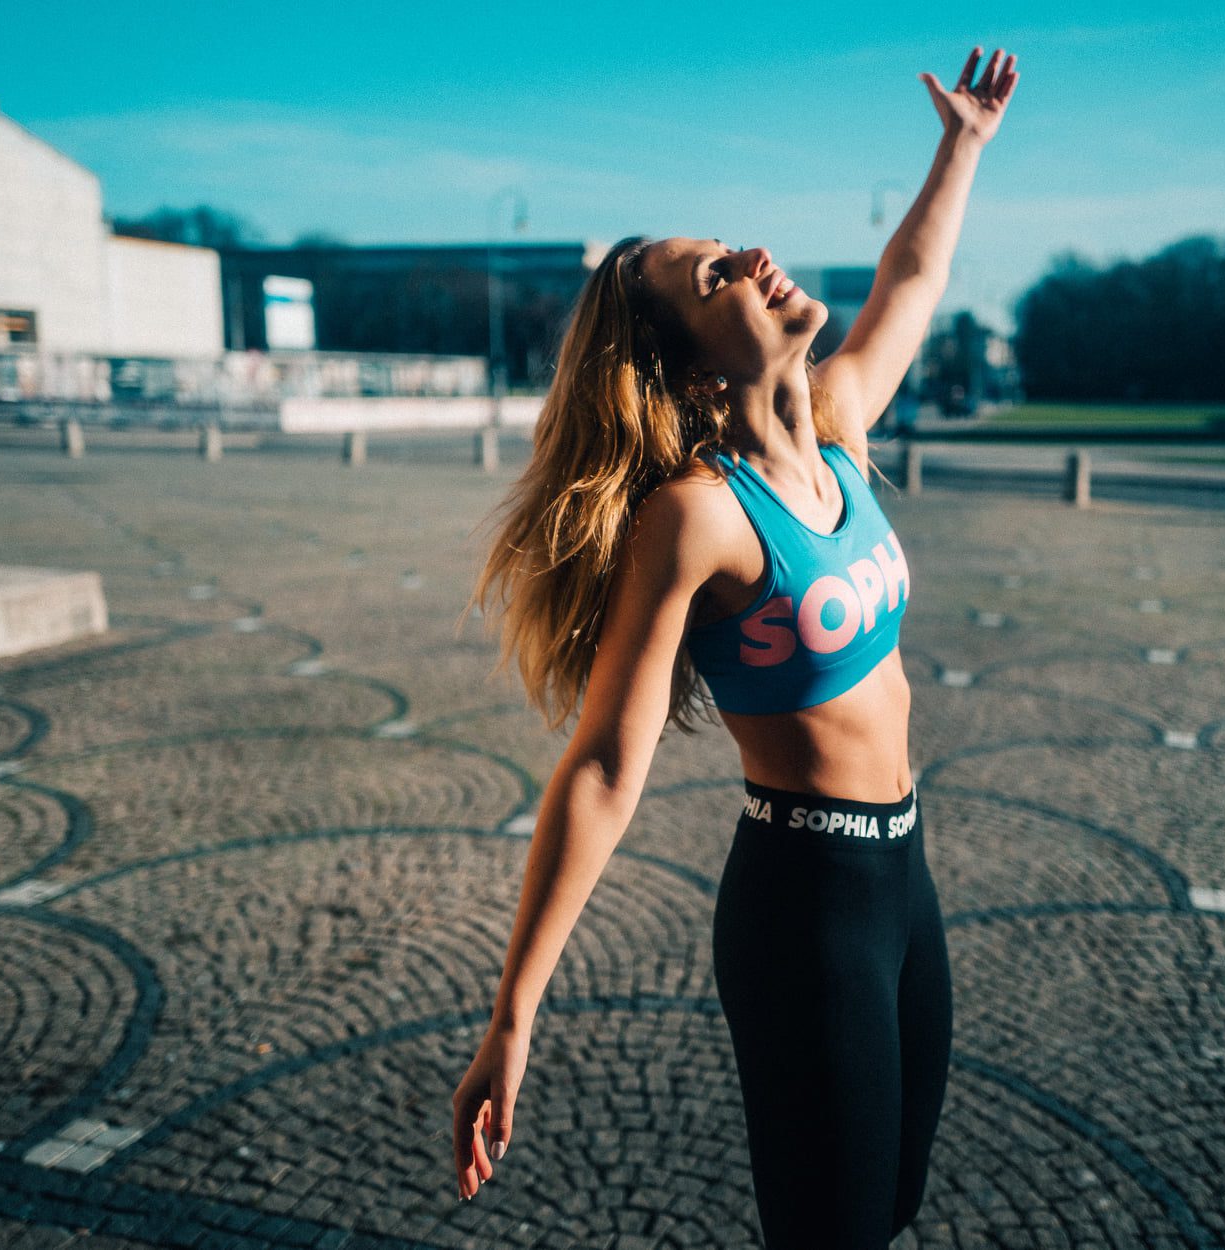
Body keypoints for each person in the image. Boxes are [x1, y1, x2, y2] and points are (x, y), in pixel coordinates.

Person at [451, 45, 1019, 1247]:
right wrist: (514, 1010)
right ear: (688, 361)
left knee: (892, 1202)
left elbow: (911, 279)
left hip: (903, 878)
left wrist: (960, 147)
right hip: (804, 904)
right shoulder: (696, 517)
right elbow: (606, 763)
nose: (754, 259)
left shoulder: (841, 430)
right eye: (716, 273)